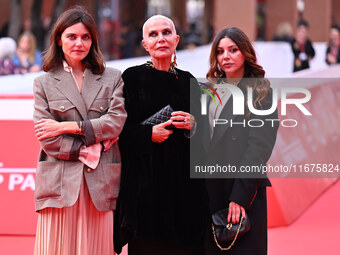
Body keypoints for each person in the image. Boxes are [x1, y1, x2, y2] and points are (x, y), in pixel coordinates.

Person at [32, 6, 126, 255]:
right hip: (60, 182)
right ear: (58, 39)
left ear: (93, 41)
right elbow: (47, 138)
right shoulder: (43, 82)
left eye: (86, 37)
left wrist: (66, 126)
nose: (79, 43)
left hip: (101, 182)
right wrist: (92, 146)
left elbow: (116, 122)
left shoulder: (112, 78)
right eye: (72, 36)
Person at [114, 15, 208, 255]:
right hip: (145, 196)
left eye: (166, 33)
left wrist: (194, 124)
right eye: (153, 35)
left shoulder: (189, 82)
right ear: (145, 44)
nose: (161, 39)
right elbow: (117, 133)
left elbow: (207, 141)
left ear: (176, 40)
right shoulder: (131, 78)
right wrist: (148, 134)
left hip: (186, 196)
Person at [203, 27, 279, 255]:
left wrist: (239, 198)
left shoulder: (262, 94)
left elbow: (259, 149)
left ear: (245, 53)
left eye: (233, 50)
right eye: (220, 51)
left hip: (241, 191)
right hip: (209, 191)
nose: (225, 56)